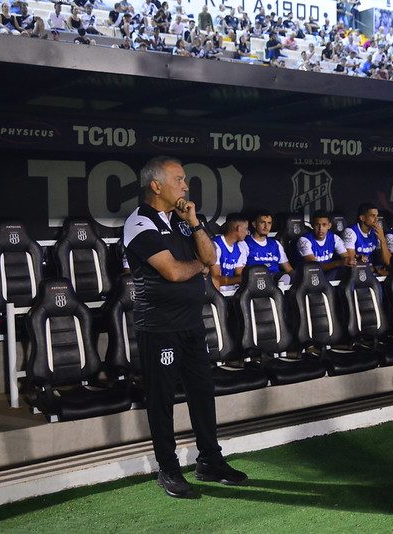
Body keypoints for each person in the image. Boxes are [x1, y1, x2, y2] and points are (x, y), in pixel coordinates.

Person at [123, 156, 247, 498]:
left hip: (192, 324)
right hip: (159, 327)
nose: (185, 185)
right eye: (178, 179)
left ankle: (210, 460)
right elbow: (174, 272)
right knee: (162, 399)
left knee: (202, 393)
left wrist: (193, 223)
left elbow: (212, 258)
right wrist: (200, 265)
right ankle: (168, 469)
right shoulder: (139, 222)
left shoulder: (187, 218)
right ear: (156, 185)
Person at [296, 210, 354, 280]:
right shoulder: (304, 240)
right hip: (310, 276)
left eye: (324, 225)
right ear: (312, 225)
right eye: (317, 225)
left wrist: (355, 259)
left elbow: (347, 258)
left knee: (350, 271)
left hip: (329, 273)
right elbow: (315, 267)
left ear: (329, 226)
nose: (320, 229)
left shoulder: (335, 238)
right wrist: (338, 263)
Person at [245, 210, 293, 284]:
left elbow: (289, 270)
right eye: (262, 222)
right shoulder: (245, 243)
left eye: (269, 223)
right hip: (254, 282)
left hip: (276, 283)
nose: (266, 226)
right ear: (254, 224)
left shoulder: (276, 244)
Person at [342, 203, 390, 275]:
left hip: (373, 271)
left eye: (377, 216)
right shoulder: (350, 231)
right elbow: (351, 261)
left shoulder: (377, 232)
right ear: (362, 218)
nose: (376, 219)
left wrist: (382, 240)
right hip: (357, 274)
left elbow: (387, 262)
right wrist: (376, 270)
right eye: (373, 216)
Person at [210, 212, 249, 292]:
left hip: (234, 291)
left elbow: (239, 275)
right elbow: (215, 279)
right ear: (238, 228)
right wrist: (239, 279)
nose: (247, 232)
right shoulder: (216, 245)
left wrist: (240, 279)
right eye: (245, 229)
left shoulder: (240, 248)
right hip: (218, 293)